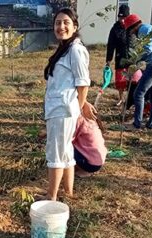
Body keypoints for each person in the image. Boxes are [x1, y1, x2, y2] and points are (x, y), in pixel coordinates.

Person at [43, 8, 95, 201]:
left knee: (55, 153)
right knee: (65, 151)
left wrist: (79, 108)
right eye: (58, 23)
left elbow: (83, 83)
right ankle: (68, 192)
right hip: (60, 109)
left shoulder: (75, 50)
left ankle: (51, 197)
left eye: (66, 22)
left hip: (63, 110)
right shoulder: (66, 48)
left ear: (75, 26)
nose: (61, 26)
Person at [122, 13, 152, 131]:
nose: (132, 34)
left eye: (131, 31)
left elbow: (147, 50)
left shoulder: (143, 30)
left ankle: (137, 124)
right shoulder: (150, 28)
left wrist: (135, 61)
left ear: (134, 27)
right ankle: (150, 125)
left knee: (138, 93)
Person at [105, 4, 132, 107]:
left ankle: (130, 100)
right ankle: (121, 98)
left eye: (124, 18)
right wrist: (108, 60)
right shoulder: (115, 29)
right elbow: (110, 45)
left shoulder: (132, 27)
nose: (122, 20)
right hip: (120, 57)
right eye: (120, 18)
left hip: (131, 58)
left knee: (132, 81)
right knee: (120, 80)